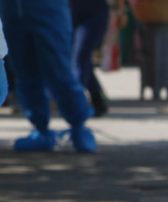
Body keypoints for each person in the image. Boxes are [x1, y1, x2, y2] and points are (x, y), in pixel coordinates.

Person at [0, 0, 96, 152]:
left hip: (48, 8)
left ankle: (79, 125)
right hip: (12, 12)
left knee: (59, 71)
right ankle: (41, 129)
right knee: (24, 73)